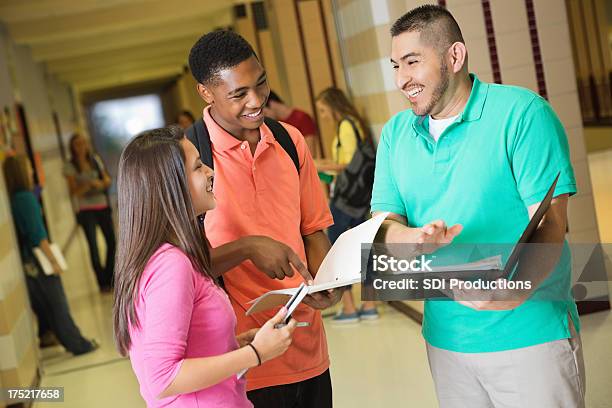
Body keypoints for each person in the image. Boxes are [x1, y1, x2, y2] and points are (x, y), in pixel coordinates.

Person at [372, 5, 584, 407]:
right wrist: (409, 238)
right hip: (446, 341)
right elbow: (383, 223)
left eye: (413, 62)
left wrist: (513, 291)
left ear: (455, 56)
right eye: (396, 65)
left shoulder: (523, 114)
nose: (402, 79)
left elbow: (552, 224)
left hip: (530, 336)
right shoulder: (396, 134)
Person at [188, 30, 341, 407]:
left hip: (307, 347)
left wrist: (326, 281)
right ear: (206, 92)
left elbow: (313, 230)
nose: (256, 102)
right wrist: (248, 247)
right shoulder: (189, 160)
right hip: (242, 360)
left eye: (261, 84)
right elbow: (181, 265)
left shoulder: (290, 141)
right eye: (238, 94)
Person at [113, 125, 297, 407]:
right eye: (198, 167)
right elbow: (162, 377)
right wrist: (256, 354)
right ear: (171, 186)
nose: (210, 172)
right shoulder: (170, 265)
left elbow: (187, 349)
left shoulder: (170, 257)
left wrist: (234, 343)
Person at [4, 155, 98, 356]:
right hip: (37, 261)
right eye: (28, 167)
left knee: (43, 304)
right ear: (20, 172)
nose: (31, 171)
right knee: (57, 303)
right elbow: (38, 234)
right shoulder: (26, 198)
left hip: (25, 263)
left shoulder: (12, 200)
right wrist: (54, 261)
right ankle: (79, 345)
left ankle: (47, 336)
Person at [315, 87, 378, 323]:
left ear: (332, 106)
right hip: (360, 200)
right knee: (365, 250)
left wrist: (319, 167)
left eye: (323, 110)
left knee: (337, 250)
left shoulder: (345, 126)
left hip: (345, 201)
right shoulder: (356, 124)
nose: (322, 115)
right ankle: (370, 305)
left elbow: (348, 164)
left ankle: (350, 308)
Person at [64, 133, 115, 292]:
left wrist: (98, 184)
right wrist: (88, 185)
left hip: (102, 206)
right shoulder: (70, 166)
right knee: (93, 247)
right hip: (86, 211)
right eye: (77, 144)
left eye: (83, 143)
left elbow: (107, 180)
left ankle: (109, 276)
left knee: (112, 242)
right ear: (72, 147)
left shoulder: (95, 160)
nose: (81, 147)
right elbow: (73, 192)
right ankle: (102, 283)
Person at [263, 91, 320, 158]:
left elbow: (311, 154)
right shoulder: (275, 126)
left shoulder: (302, 118)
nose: (265, 119)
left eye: (265, 113)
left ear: (272, 104)